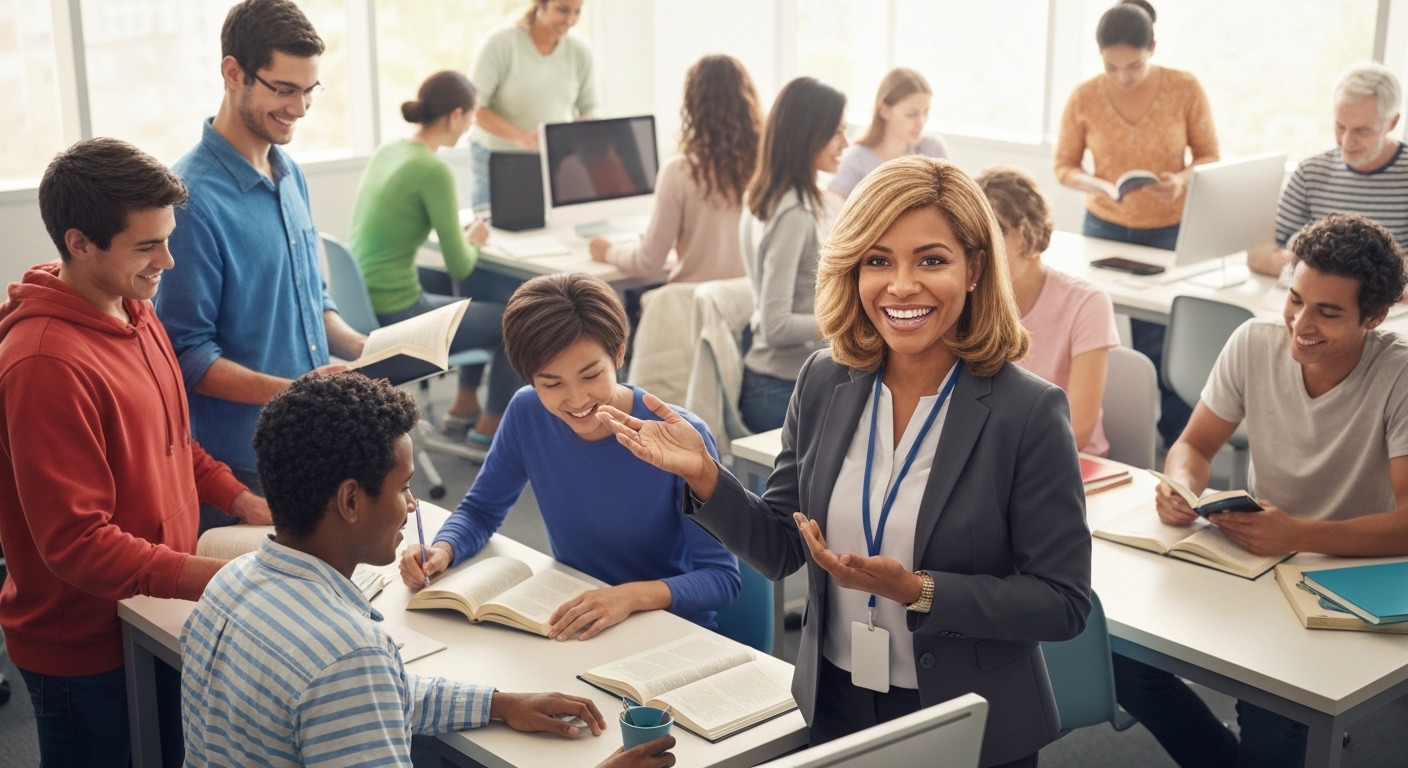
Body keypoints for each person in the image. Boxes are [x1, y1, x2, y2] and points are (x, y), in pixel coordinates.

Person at [600, 157, 1092, 768]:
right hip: (835, 703)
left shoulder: (1028, 411)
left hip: (969, 717)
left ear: (974, 269)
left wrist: (920, 590)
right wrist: (704, 475)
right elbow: (782, 547)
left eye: (931, 260)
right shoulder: (825, 380)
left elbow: (1063, 603)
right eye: (878, 260)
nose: (901, 285)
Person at [181, 372, 675, 768]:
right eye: (402, 488)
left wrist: (497, 703)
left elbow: (368, 700)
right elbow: (356, 684)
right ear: (351, 500)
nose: (412, 506)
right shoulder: (348, 658)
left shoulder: (230, 582)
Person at [0, 138, 268, 767]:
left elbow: (173, 440)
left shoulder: (134, 310)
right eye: (147, 246)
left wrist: (240, 499)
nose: (168, 262)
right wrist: (220, 580)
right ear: (79, 243)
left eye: (167, 238)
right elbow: (75, 542)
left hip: (153, 608)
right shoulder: (43, 363)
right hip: (85, 643)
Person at [1117, 213, 1408, 768]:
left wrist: (1298, 533)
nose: (1301, 323)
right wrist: (1181, 484)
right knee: (1124, 659)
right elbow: (1194, 445)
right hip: (1251, 555)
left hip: (1341, 575)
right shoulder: (1254, 341)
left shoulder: (1399, 375)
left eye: (1327, 311)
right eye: (1296, 299)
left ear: (1373, 316)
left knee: (1273, 723)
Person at [400, 273, 740, 637]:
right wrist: (442, 549)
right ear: (529, 378)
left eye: (591, 375)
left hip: (666, 630)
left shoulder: (680, 436)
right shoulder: (527, 412)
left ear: (619, 353)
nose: (577, 401)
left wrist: (626, 598)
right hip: (579, 619)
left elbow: (722, 579)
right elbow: (481, 510)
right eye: (551, 384)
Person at [155, 0, 367, 531]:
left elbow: (311, 299)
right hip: (245, 467)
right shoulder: (190, 201)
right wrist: (295, 389)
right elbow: (186, 357)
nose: (300, 108)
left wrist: (367, 351)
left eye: (309, 90)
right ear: (233, 73)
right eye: (284, 89)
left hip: (310, 443)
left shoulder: (289, 172)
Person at [1053, 0, 1218, 447]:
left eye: (1134, 65)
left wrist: (1181, 181)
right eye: (1112, 66)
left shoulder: (1184, 88)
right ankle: (1099, 429)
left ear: (1154, 49)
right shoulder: (1085, 96)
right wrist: (1095, 182)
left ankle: (1179, 441)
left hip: (1168, 231)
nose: (1123, 76)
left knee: (1164, 343)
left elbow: (1208, 156)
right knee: (1088, 329)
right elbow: (1064, 165)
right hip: (1103, 226)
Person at [349, 70, 524, 459]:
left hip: (362, 297)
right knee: (513, 318)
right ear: (455, 116)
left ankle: (463, 405)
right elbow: (461, 263)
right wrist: (474, 239)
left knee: (475, 291)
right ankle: (489, 427)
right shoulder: (433, 169)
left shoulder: (390, 150)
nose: (469, 126)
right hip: (398, 309)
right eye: (471, 116)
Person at [977, 166, 1120, 455]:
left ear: (1031, 232)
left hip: (1068, 464)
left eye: (997, 231)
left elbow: (1077, 431)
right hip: (994, 459)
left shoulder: (1087, 302)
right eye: (974, 233)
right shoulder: (968, 299)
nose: (983, 247)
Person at [588, 54, 763, 283]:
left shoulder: (681, 171)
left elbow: (648, 263)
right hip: (744, 307)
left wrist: (608, 251)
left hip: (691, 308)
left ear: (692, 107)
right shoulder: (766, 167)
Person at [739, 76, 849, 433]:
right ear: (809, 134)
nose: (845, 143)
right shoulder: (794, 214)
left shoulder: (793, 198)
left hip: (792, 379)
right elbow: (776, 325)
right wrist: (846, 318)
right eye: (837, 132)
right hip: (778, 386)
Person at [1249, 61, 1408, 277]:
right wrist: (1322, 268)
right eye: (1340, 126)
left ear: (1392, 122)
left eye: (1361, 131)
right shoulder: (1309, 174)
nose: (1346, 141)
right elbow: (1259, 255)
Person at [468, 0, 595, 210]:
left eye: (577, 12)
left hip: (549, 161)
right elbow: (474, 108)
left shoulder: (580, 53)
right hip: (495, 157)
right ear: (540, 5)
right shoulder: (501, 44)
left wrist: (570, 136)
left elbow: (590, 109)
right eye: (562, 10)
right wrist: (522, 137)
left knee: (543, 234)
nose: (570, 20)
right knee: (492, 233)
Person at [829, 67, 949, 200]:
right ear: (884, 111)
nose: (921, 123)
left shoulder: (933, 149)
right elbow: (834, 203)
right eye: (911, 114)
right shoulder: (857, 159)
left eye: (925, 112)